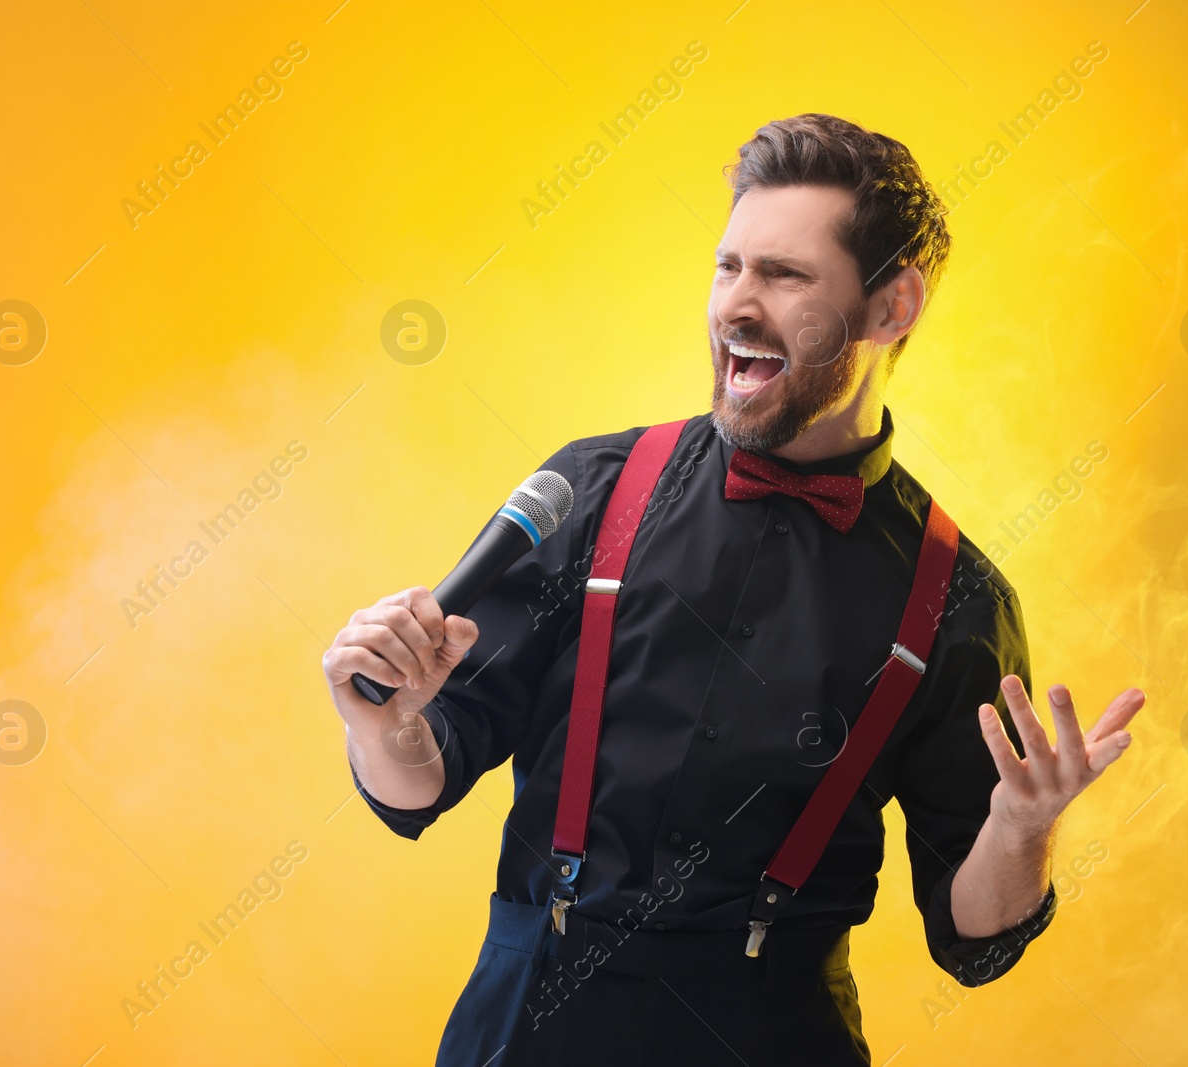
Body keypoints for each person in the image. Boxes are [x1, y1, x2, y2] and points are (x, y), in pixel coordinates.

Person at [323, 113, 1146, 1066]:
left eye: (786, 276)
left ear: (892, 307)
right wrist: (385, 726)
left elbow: (972, 936)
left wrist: (1020, 829)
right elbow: (422, 781)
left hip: (771, 1032)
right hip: (529, 1015)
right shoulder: (587, 493)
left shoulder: (955, 599)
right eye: (729, 268)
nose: (737, 306)